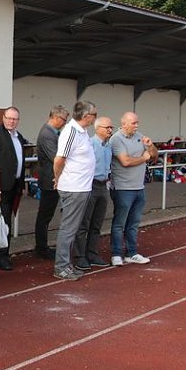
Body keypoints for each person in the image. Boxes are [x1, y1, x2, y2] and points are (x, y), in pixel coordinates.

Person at [52, 101, 97, 280]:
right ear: (86, 116)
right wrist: (58, 178)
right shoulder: (71, 131)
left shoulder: (82, 132)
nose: (95, 117)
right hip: (74, 187)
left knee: (73, 228)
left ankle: (66, 265)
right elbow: (59, 159)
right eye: (94, 114)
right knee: (68, 229)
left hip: (82, 187)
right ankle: (61, 266)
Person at [110, 111, 158, 266]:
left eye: (137, 123)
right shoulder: (116, 139)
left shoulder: (140, 136)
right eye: (133, 123)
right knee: (120, 223)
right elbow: (125, 161)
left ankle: (131, 252)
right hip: (123, 188)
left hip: (139, 186)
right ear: (124, 124)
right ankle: (116, 253)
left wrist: (150, 146)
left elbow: (155, 156)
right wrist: (143, 158)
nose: (136, 126)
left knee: (134, 223)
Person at [0, 106, 29, 270]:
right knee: (2, 222)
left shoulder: (19, 137)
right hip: (0, 187)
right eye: (9, 118)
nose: (11, 121)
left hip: (14, 186)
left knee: (5, 221)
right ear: (3, 117)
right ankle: (1, 256)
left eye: (15, 119)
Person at [72, 115, 114, 270]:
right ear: (97, 129)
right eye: (107, 127)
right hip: (90, 185)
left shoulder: (108, 146)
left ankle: (92, 253)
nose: (110, 130)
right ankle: (79, 256)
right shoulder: (90, 144)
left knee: (97, 223)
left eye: (111, 128)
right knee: (84, 222)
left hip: (103, 186)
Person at [33, 105, 68, 260]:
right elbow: (56, 158)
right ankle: (41, 248)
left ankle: (42, 246)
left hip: (52, 179)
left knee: (46, 215)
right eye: (63, 120)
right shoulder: (47, 134)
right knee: (44, 216)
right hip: (49, 180)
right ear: (55, 117)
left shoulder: (52, 133)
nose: (65, 123)